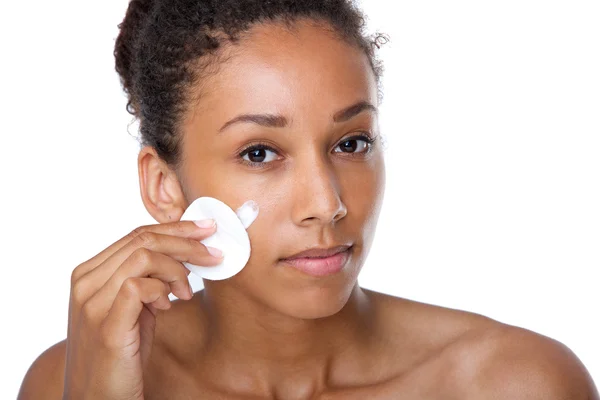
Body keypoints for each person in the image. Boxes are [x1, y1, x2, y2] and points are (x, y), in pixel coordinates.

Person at [17, 0, 598, 399]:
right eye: (260, 153)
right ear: (165, 186)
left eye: (351, 142)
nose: (326, 203)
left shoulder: (517, 384)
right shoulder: (69, 381)